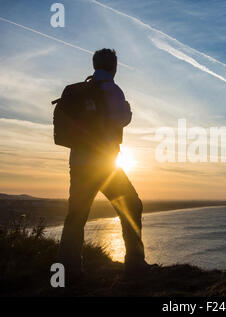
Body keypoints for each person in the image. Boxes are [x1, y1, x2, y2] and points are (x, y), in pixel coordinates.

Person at [58, 48, 147, 277]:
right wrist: (127, 108)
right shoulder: (112, 89)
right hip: (105, 165)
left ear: (94, 64)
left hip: (78, 163)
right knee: (131, 205)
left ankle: (69, 272)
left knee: (76, 216)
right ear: (114, 67)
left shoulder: (80, 91)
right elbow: (121, 119)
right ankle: (135, 265)